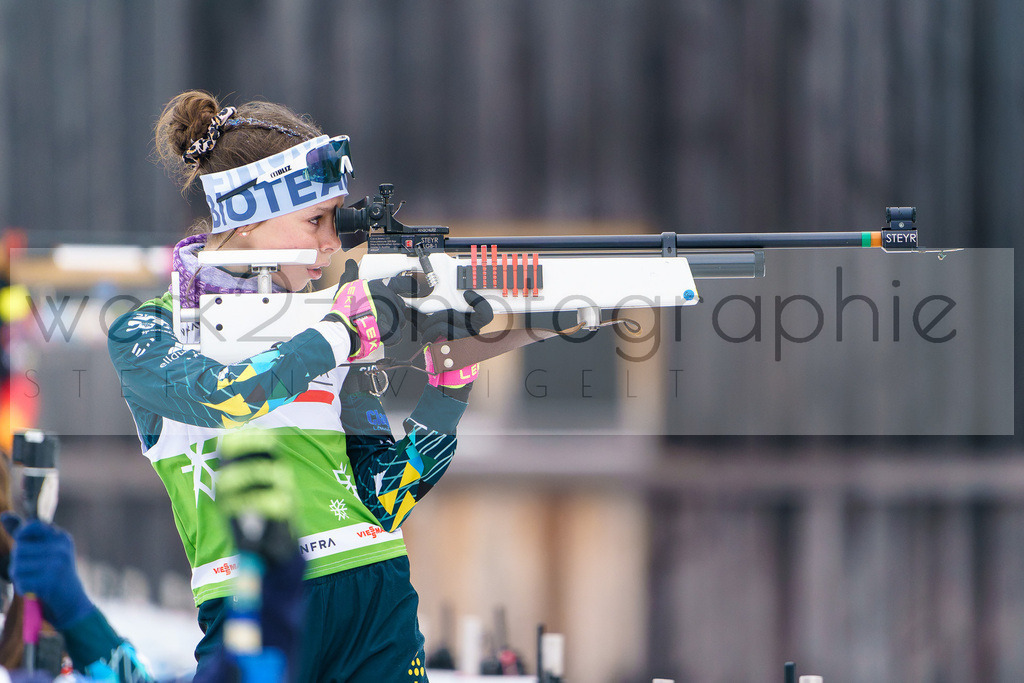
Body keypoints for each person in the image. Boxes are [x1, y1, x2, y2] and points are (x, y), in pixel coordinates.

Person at [107, 90, 488, 682]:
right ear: (246, 217)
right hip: (254, 611)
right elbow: (224, 395)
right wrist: (338, 333)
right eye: (316, 221)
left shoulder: (326, 323)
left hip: (375, 600)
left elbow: (382, 497)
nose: (333, 243)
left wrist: (449, 393)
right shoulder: (147, 330)